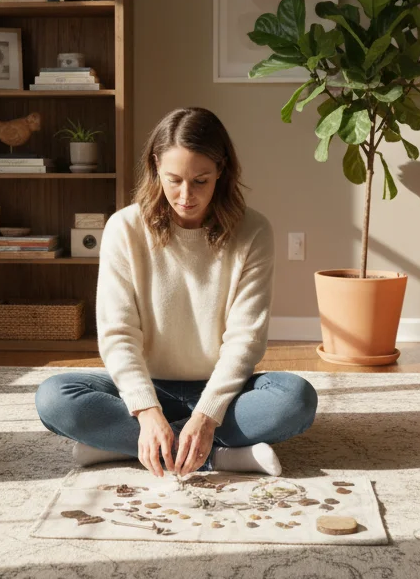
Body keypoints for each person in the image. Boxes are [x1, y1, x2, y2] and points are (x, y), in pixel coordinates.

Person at [35, 107, 318, 478]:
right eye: (174, 180)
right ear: (155, 167)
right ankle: (220, 456)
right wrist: (147, 411)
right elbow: (117, 335)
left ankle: (126, 446)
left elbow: (245, 340)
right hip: (149, 389)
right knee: (55, 398)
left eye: (200, 180)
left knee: (296, 398)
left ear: (222, 169)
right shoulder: (124, 229)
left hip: (223, 391)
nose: (186, 195)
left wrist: (206, 415)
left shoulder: (254, 231)